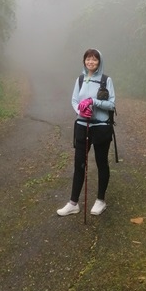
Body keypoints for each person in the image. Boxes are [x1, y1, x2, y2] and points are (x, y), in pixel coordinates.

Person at [57, 48, 116, 217]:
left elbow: (112, 104)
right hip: (82, 125)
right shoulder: (81, 79)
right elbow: (75, 100)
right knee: (79, 164)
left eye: (94, 59)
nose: (91, 62)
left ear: (99, 62)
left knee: (101, 162)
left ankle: (100, 200)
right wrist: (80, 110)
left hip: (101, 127)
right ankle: (73, 203)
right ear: (84, 61)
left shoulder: (106, 80)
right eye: (88, 59)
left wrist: (93, 102)